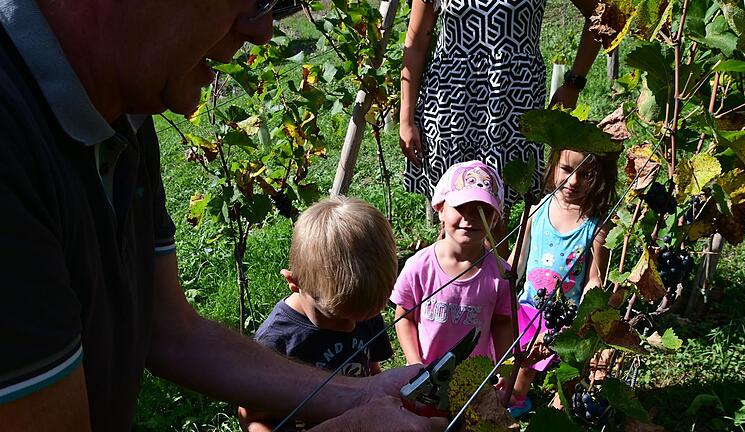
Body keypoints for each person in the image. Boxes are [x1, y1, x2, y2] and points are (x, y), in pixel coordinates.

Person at [0, 0, 447, 430]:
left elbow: (170, 331)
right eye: (252, 1)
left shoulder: (124, 112)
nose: (263, 29)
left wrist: (361, 397)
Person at [398, 0, 602, 249]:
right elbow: (416, 43)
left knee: (496, 213)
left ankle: (496, 286)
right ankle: (450, 283)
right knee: (452, 207)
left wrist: (574, 83)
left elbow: (599, 13)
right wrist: (406, 118)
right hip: (449, 102)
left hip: (511, 100)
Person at [237, 197, 398, 431]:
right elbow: (252, 417)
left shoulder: (361, 309)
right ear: (294, 283)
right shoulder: (276, 341)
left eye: (362, 317)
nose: (350, 327)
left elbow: (371, 372)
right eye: (336, 316)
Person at [505, 148, 618, 417]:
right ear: (554, 166)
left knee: (537, 360)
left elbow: (594, 277)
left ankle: (519, 398)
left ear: (601, 178)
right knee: (514, 350)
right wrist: (502, 282)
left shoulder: (596, 226)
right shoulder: (536, 209)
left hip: (562, 315)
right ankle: (509, 387)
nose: (574, 181)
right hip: (527, 304)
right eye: (567, 170)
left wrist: (586, 316)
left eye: (586, 175)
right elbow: (518, 259)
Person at [391, 161, 514, 367]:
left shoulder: (501, 274)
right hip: (426, 379)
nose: (470, 216)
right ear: (440, 209)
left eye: (482, 210)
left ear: (494, 219)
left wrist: (504, 369)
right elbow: (404, 317)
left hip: (474, 382)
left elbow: (502, 323)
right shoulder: (419, 267)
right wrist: (414, 363)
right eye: (460, 207)